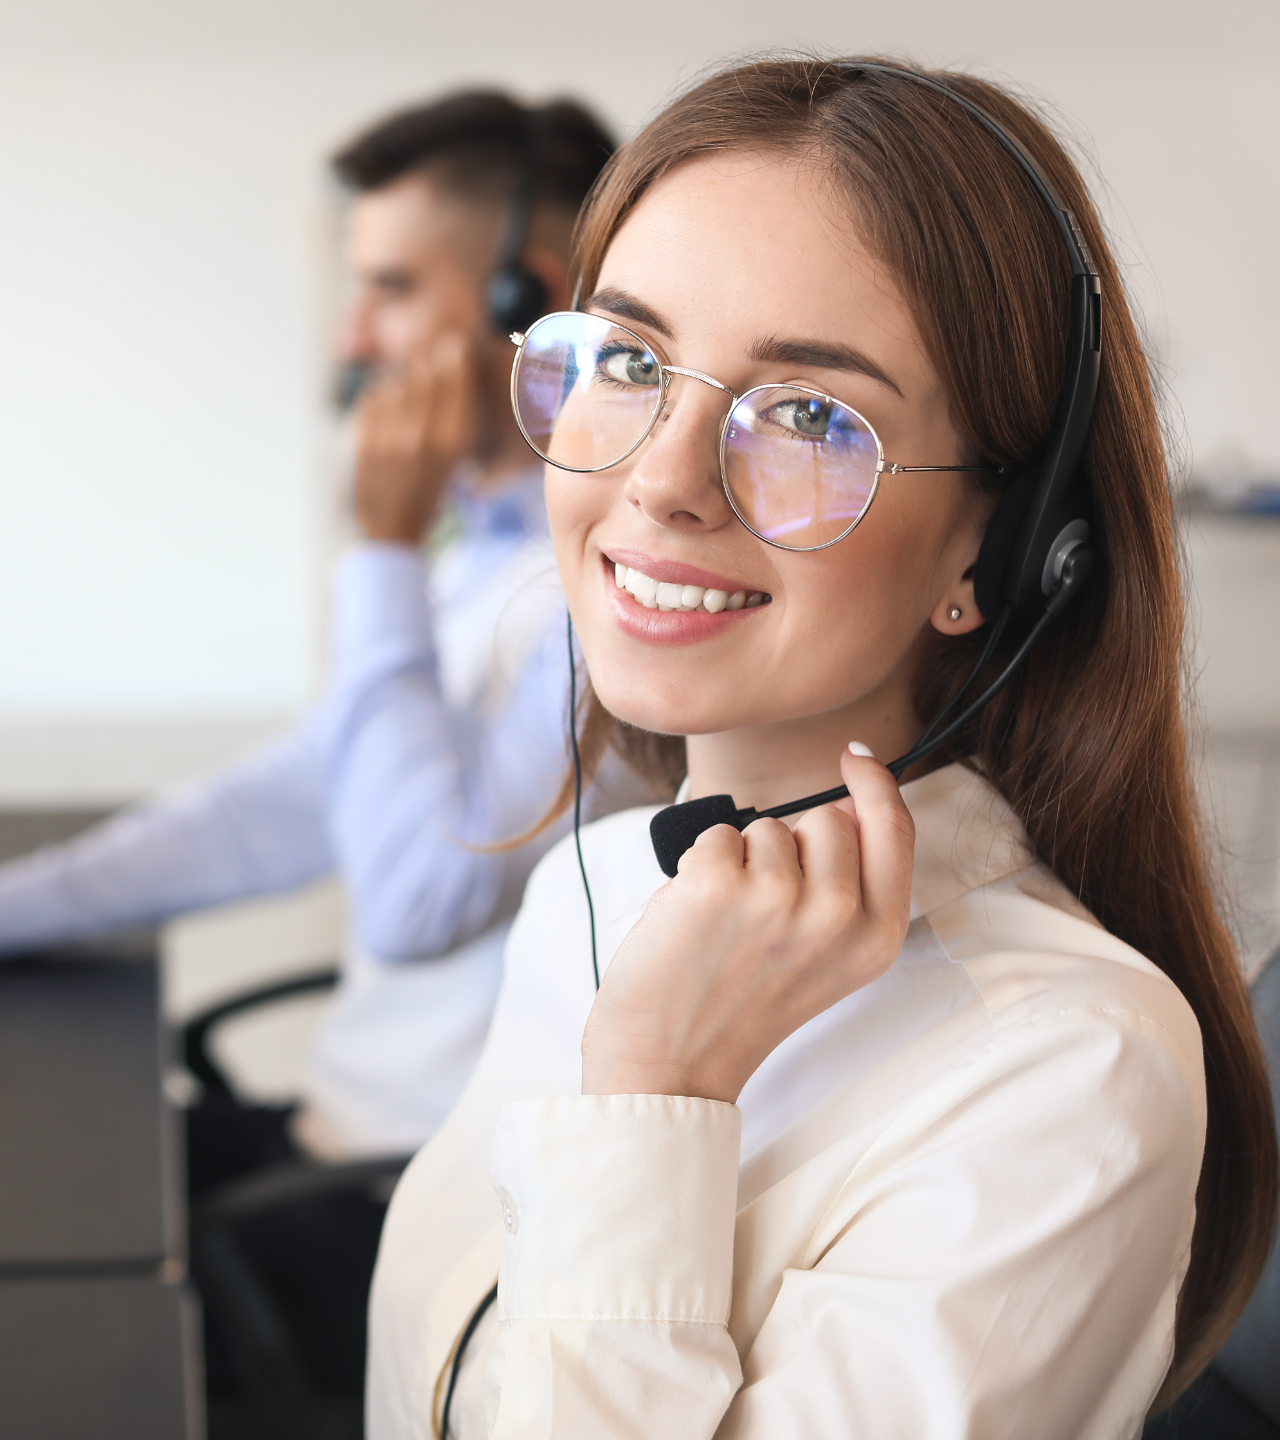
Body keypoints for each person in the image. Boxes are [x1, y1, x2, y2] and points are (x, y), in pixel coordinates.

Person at [368, 58, 1279, 1439]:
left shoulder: (1069, 1069)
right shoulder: (599, 884)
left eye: (807, 413)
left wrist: (658, 1097)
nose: (661, 480)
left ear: (1002, 546)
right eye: (625, 362)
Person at [0, 90, 623, 1165]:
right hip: (339, 1139)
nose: (350, 339)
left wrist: (380, 545)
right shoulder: (478, 553)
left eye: (389, 288)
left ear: (528, 298)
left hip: (431, 1202)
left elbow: (416, 899)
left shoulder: (613, 582)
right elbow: (299, 795)